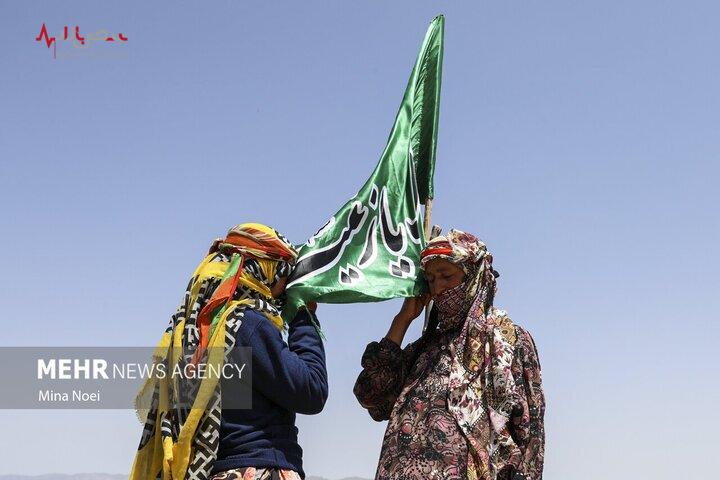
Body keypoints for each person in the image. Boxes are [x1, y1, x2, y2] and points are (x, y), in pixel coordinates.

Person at [130, 223, 328, 480]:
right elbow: (310, 390)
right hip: (259, 468)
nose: (284, 284)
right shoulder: (247, 325)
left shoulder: (197, 332)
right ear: (263, 269)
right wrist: (304, 315)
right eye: (283, 272)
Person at [354, 229, 545, 480]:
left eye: (446, 276)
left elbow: (530, 433)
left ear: (473, 277)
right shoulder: (425, 349)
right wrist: (402, 320)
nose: (438, 287)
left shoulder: (508, 341)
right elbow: (371, 394)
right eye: (431, 280)